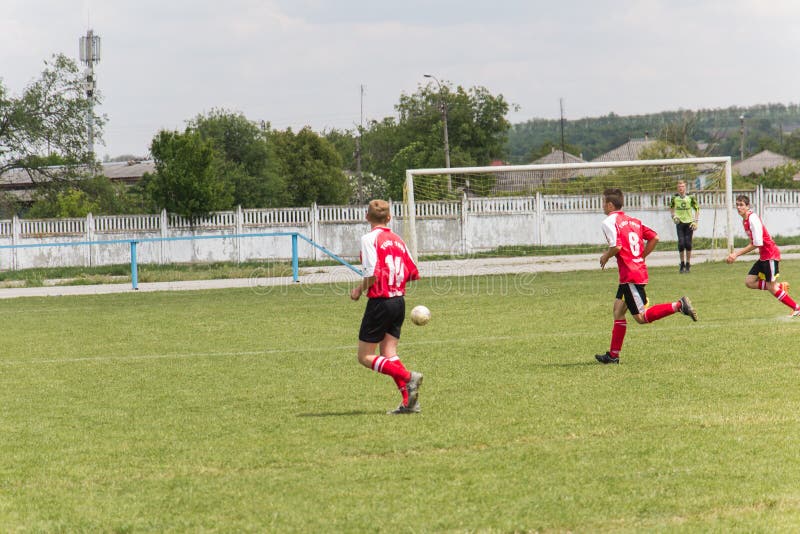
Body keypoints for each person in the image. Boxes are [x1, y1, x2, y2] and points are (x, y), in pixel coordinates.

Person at [595, 188, 698, 364]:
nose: (602, 206)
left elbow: (617, 246)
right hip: (635, 271)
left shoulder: (608, 222)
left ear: (610, 204)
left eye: (604, 202)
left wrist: (605, 255)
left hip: (630, 275)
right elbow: (655, 238)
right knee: (618, 311)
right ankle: (613, 355)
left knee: (641, 318)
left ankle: (679, 305)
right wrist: (641, 256)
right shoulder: (633, 221)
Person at [350, 199, 424, 414]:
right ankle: (409, 403)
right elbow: (412, 272)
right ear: (389, 218)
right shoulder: (398, 239)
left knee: (365, 357)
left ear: (366, 217)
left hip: (380, 302)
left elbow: (372, 274)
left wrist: (358, 290)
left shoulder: (369, 238)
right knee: (389, 352)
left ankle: (409, 376)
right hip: (398, 301)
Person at [725, 194, 800, 316]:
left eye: (741, 205)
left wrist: (736, 254)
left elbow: (757, 243)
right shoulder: (745, 220)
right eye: (737, 205)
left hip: (770, 255)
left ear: (748, 206)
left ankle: (797, 308)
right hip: (764, 256)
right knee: (749, 282)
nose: (738, 207)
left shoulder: (752, 219)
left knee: (771, 287)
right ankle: (779, 286)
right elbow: (756, 242)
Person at [669, 180, 700, 273]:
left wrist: (695, 221)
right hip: (680, 223)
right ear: (677, 188)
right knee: (681, 243)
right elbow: (671, 207)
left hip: (689, 222)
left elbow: (697, 209)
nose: (681, 188)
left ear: (685, 187)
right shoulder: (674, 198)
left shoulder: (690, 197)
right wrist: (673, 216)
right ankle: (682, 263)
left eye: (682, 186)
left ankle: (688, 264)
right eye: (679, 186)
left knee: (688, 243)